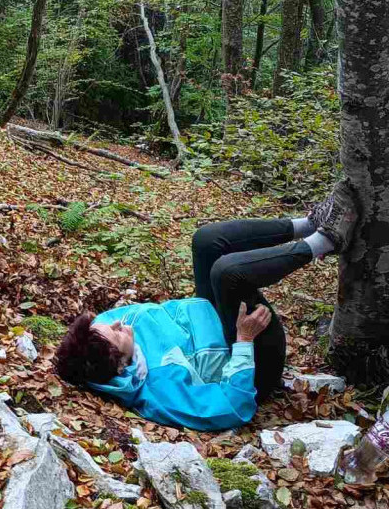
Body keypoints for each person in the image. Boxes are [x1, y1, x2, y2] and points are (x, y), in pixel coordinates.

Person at [53, 181, 360, 431]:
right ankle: (328, 239)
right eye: (117, 335)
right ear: (121, 365)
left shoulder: (101, 333)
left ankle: (309, 224)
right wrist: (243, 341)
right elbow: (234, 406)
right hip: (252, 358)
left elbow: (112, 333)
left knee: (205, 240)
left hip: (209, 320)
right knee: (226, 273)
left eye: (108, 326)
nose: (119, 324)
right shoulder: (162, 394)